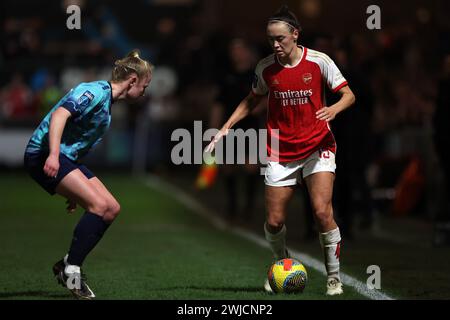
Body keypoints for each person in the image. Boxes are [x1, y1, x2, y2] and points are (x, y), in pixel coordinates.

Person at [206, 6, 355, 295]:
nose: (275, 44)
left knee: (322, 211)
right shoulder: (265, 67)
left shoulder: (319, 61)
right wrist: (225, 127)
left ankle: (334, 278)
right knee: (274, 222)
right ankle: (280, 264)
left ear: (295, 34)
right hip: (280, 150)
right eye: (270, 39)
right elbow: (251, 100)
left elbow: (349, 95)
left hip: (318, 145)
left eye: (280, 38)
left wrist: (334, 109)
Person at [23, 50, 153, 299]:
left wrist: (71, 189)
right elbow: (60, 115)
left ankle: (66, 264)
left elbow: (76, 143)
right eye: (145, 86)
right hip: (42, 154)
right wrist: (52, 155)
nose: (145, 92)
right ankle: (72, 271)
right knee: (98, 206)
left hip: (62, 158)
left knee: (111, 208)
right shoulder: (95, 92)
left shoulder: (106, 104)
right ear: (133, 81)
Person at [209, 38, 261, 223]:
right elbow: (218, 104)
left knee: (250, 167)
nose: (236, 53)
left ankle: (249, 207)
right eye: (233, 50)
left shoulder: (256, 75)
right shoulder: (226, 76)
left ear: (247, 52)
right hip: (229, 128)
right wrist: (213, 130)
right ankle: (232, 206)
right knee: (228, 168)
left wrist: (258, 110)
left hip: (250, 128)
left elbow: (267, 99)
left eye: (239, 49)